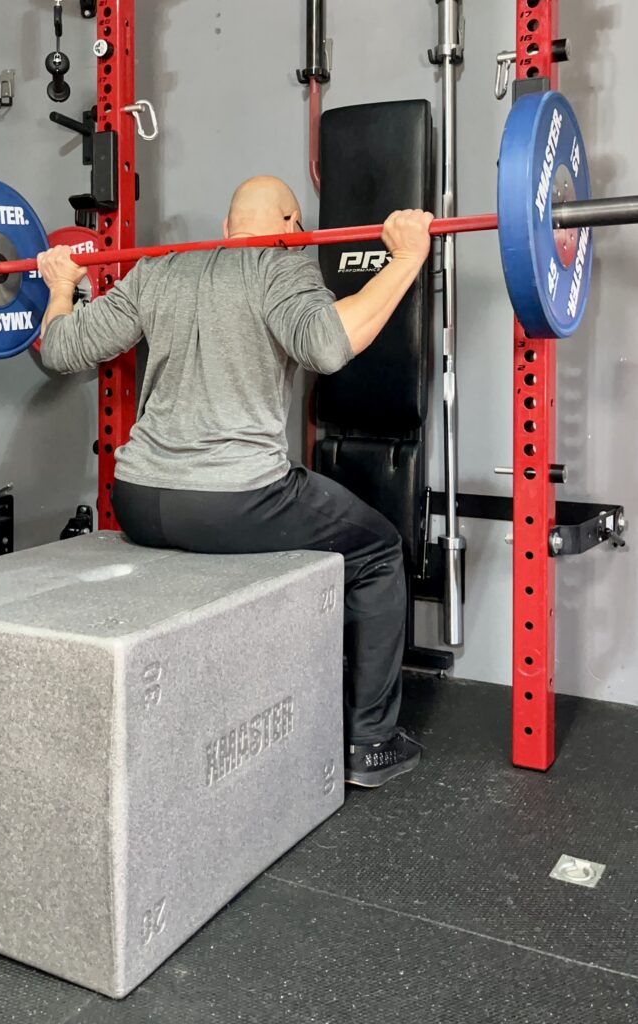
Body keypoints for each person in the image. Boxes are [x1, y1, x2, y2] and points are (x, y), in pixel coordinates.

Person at [37, 176, 434, 788]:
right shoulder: (282, 262)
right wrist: (407, 258)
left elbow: (61, 347)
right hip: (234, 502)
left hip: (138, 499)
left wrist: (62, 287)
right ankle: (370, 743)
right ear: (293, 226)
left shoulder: (158, 269)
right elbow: (328, 347)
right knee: (380, 550)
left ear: (225, 230)